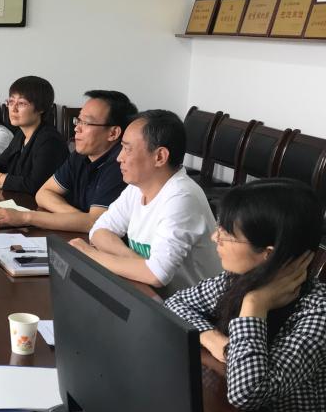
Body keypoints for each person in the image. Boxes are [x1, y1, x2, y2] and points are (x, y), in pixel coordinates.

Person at [165, 179, 326, 412]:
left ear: (268, 253)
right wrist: (214, 339)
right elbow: (176, 305)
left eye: (227, 234)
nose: (214, 238)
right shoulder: (235, 280)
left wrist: (254, 305)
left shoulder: (317, 312)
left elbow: (247, 392)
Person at [71, 109, 221, 295]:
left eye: (127, 149)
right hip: (153, 297)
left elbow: (157, 275)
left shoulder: (182, 197)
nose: (119, 158)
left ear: (160, 157)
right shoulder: (138, 187)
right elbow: (99, 231)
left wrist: (91, 256)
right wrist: (137, 262)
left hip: (190, 308)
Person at [0, 90, 134, 232]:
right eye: (78, 120)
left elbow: (96, 223)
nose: (77, 128)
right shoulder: (80, 155)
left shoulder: (121, 164)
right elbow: (43, 194)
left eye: (86, 123)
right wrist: (78, 218)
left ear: (113, 133)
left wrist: (25, 217)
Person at [0, 76, 68, 194]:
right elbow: (0, 162)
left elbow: (35, 185)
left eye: (21, 103)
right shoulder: (20, 135)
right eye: (11, 102)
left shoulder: (50, 141)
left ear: (41, 108)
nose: (13, 109)